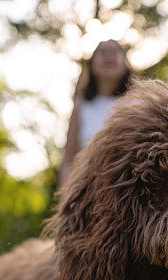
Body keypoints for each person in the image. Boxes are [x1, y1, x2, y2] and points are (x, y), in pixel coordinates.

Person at [57, 39, 133, 189]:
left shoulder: (137, 103)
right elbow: (68, 160)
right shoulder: (81, 105)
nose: (108, 56)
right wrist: (66, 197)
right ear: (91, 64)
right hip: (88, 191)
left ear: (125, 63)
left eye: (115, 52)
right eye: (102, 52)